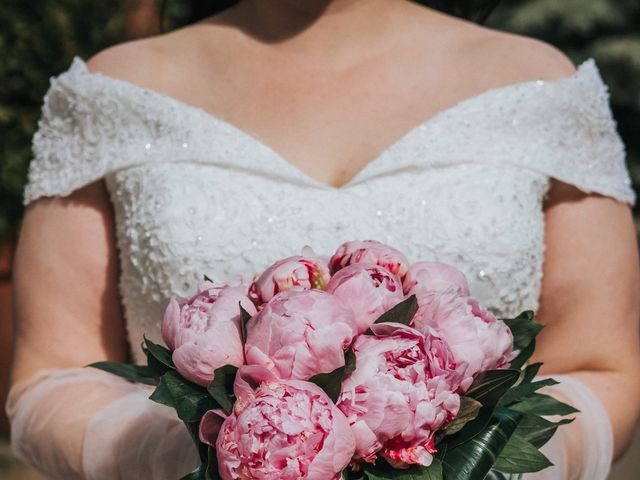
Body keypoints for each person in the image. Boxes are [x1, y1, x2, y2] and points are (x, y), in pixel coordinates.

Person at [6, 1, 640, 479]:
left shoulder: (539, 86)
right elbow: (51, 371)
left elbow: (600, 362)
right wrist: (212, 453)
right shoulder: (111, 91)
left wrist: (479, 463)